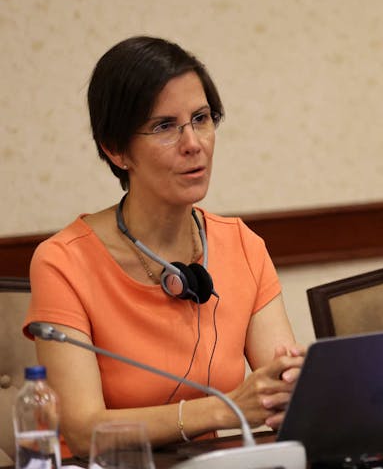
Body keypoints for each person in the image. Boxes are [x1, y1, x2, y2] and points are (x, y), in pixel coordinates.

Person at [23, 36, 304, 456]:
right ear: (116, 150)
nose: (194, 143)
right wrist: (223, 411)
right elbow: (83, 431)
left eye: (202, 118)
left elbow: (279, 389)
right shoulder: (63, 262)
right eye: (164, 126)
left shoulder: (241, 244)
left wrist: (293, 388)